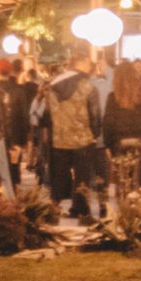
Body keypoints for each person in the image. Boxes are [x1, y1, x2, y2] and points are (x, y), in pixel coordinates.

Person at [46, 52, 102, 216]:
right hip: (82, 138)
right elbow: (95, 113)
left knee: (60, 174)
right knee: (82, 175)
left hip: (59, 137)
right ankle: (80, 208)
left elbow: (48, 113)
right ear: (81, 62)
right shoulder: (88, 86)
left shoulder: (53, 84)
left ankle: (54, 206)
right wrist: (95, 133)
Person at [102, 60, 141, 157]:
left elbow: (108, 122)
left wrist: (107, 145)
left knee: (121, 170)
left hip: (119, 141)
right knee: (138, 171)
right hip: (139, 140)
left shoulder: (113, 97)